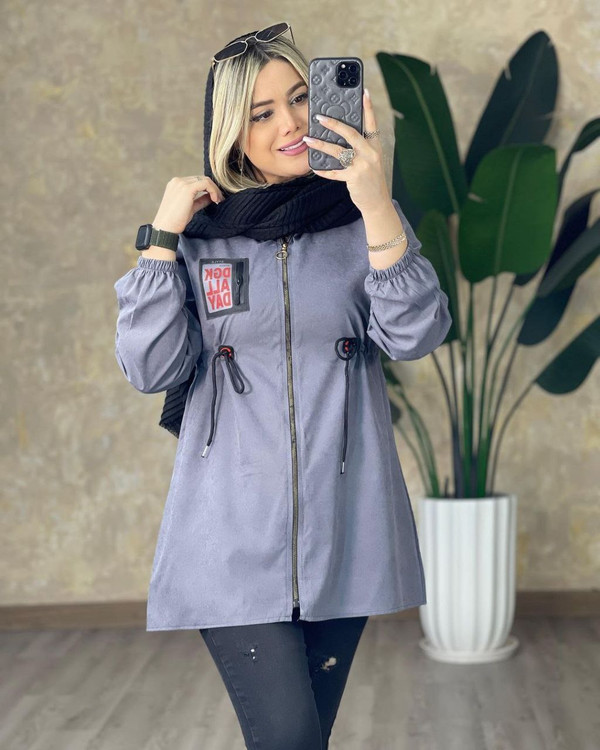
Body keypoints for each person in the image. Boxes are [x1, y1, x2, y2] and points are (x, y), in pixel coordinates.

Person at [113, 22, 452, 750]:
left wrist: (375, 202)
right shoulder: (204, 238)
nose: (291, 124)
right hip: (228, 534)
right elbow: (151, 368)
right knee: (292, 736)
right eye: (262, 113)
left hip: (347, 528)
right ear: (233, 136)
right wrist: (161, 241)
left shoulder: (364, 224)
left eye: (301, 99)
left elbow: (416, 334)